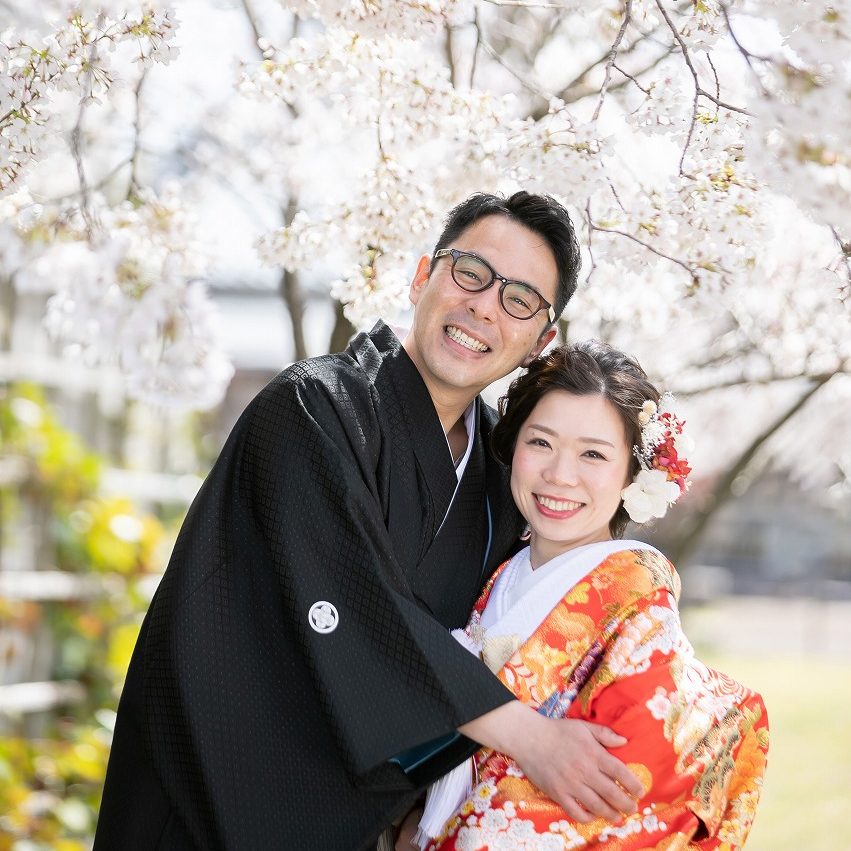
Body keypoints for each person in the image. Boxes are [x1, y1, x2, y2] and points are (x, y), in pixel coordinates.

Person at [93, 192, 645, 851]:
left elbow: (513, 628)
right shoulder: (311, 406)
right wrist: (530, 737)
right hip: (210, 797)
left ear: (540, 340)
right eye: (470, 272)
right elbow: (354, 605)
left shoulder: (502, 476)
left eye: (519, 299)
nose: (483, 307)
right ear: (422, 276)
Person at [406, 341, 769, 850]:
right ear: (512, 447)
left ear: (633, 474)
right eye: (541, 442)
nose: (560, 475)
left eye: (593, 454)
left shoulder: (637, 597)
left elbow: (621, 785)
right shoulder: (498, 573)